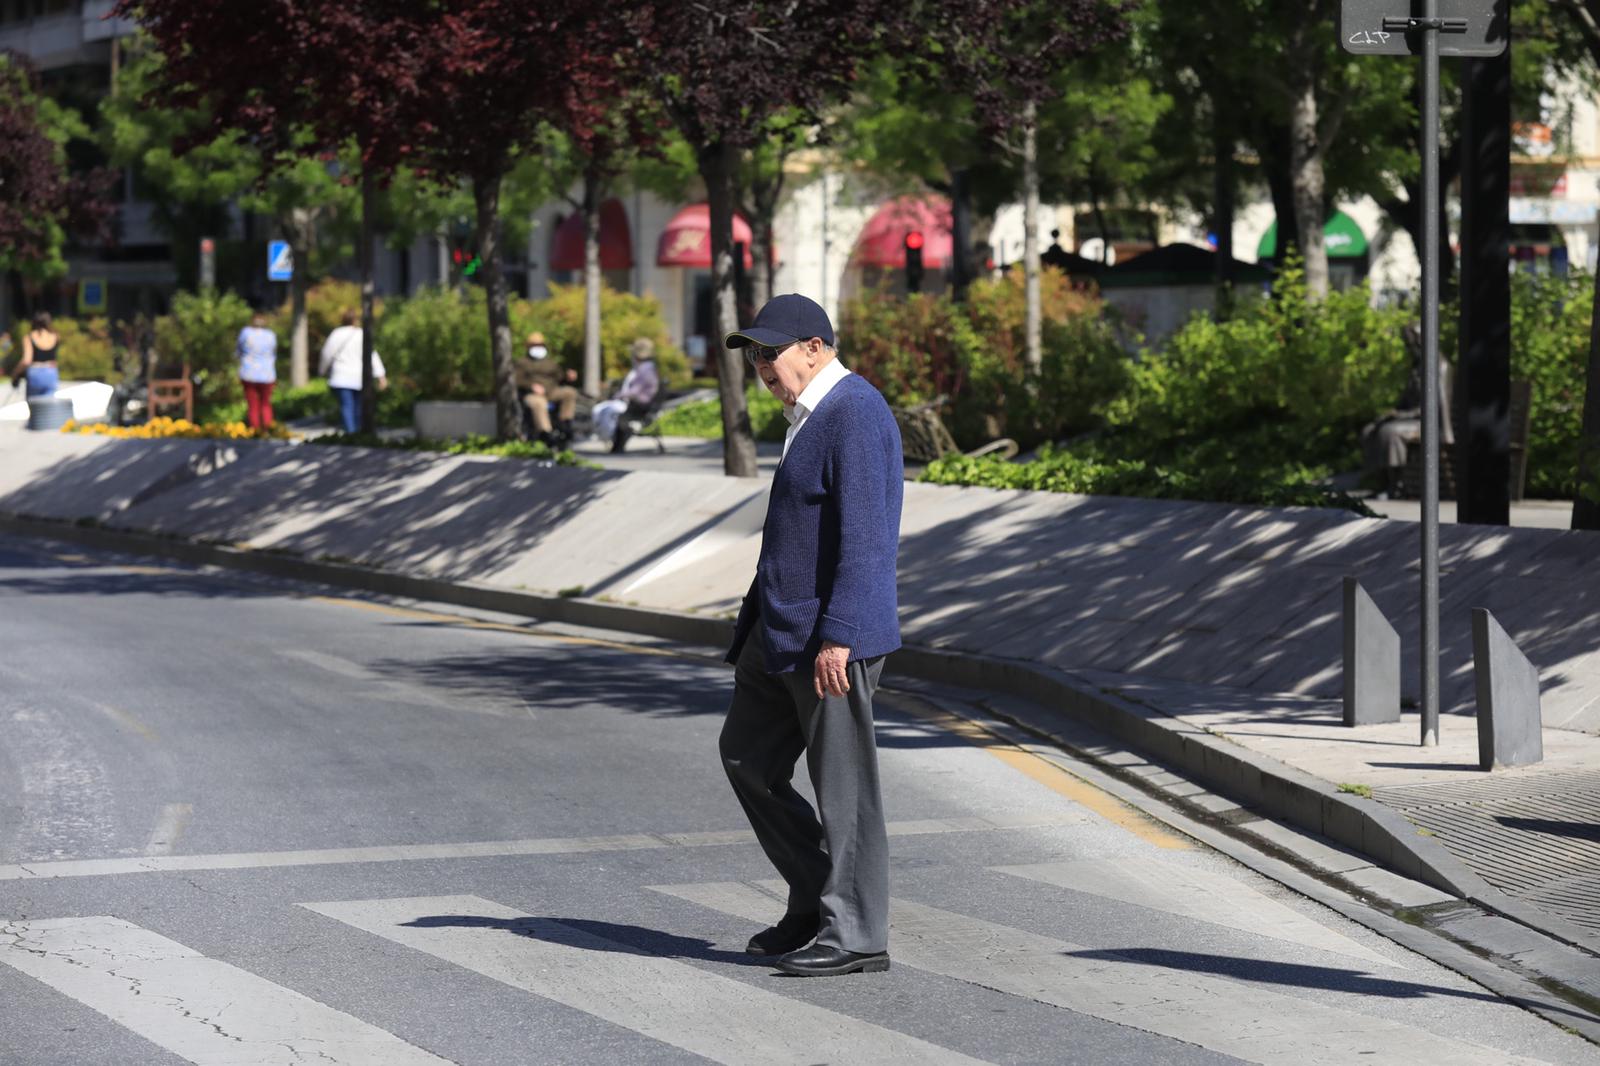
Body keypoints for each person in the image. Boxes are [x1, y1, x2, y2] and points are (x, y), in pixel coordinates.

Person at [718, 293, 904, 977]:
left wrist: (840, 635)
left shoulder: (854, 412)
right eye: (756, 356)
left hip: (829, 639)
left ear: (817, 347)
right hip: (779, 632)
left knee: (844, 790)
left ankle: (856, 932)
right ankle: (815, 893)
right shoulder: (809, 414)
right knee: (747, 758)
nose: (763, 366)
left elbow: (867, 538)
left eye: (774, 352)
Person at [1362, 322, 1453, 499]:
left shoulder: (1439, 365)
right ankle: (1381, 483)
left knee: (1390, 432)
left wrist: (1403, 415)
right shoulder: (1417, 367)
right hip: (1413, 419)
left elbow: (1436, 405)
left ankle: (1397, 485)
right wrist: (1392, 413)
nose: (1409, 349)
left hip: (1430, 422)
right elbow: (1405, 400)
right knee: (1370, 430)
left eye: (1410, 344)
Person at [319, 310, 387, 434]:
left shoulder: (336, 334)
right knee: (357, 407)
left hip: (340, 376)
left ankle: (351, 433)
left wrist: (322, 371)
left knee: (347, 406)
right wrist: (381, 375)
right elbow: (372, 354)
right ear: (356, 320)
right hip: (358, 377)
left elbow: (326, 354)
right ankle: (355, 433)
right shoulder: (361, 334)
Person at [590, 337, 661, 453]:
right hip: (642, 403)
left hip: (639, 405)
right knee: (607, 409)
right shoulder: (648, 367)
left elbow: (635, 391)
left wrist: (619, 395)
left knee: (609, 411)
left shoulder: (644, 369)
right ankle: (613, 442)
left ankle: (611, 440)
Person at [514, 331, 579, 446]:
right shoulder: (522, 363)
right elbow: (517, 380)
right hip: (533, 394)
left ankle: (565, 423)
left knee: (570, 393)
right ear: (528, 346)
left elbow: (560, 377)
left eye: (539, 345)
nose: (537, 348)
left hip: (551, 391)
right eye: (534, 345)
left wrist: (568, 377)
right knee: (539, 403)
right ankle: (546, 433)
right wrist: (531, 386)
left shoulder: (550, 363)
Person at [237, 310, 278, 429]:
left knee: (253, 405)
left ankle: (255, 430)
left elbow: (239, 350)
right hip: (267, 374)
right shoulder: (270, 335)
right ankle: (268, 428)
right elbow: (273, 352)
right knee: (266, 403)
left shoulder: (246, 333)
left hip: (249, 373)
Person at [13, 312, 61, 400]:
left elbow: (26, 361)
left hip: (35, 372)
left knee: (35, 407)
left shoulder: (30, 337)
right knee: (48, 406)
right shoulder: (55, 336)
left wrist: (15, 374)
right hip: (51, 372)